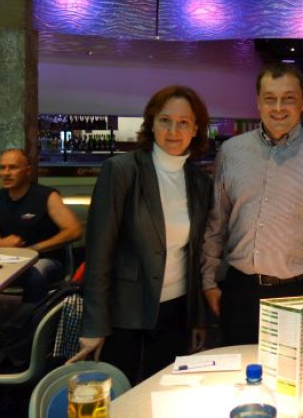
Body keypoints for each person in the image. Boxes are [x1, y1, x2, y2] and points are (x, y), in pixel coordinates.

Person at [201, 63, 303, 361]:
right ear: (258, 101)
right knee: (239, 380)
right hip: (241, 294)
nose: (279, 107)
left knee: (298, 385)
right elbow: (217, 223)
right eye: (270, 98)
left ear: (302, 101)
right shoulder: (231, 152)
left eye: (288, 98)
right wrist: (208, 281)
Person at [70, 85, 213, 384]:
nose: (173, 131)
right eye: (165, 120)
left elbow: (196, 256)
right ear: (151, 123)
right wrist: (94, 324)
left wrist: (197, 318)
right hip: (125, 312)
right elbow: (99, 252)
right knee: (120, 395)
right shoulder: (121, 170)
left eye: (183, 122)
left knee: (163, 393)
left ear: (196, 128)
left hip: (176, 311)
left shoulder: (199, 181)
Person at [0, 148, 82, 302]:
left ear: (27, 171)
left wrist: (34, 248)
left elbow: (74, 231)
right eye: (2, 167)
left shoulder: (46, 196)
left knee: (34, 273)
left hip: (45, 259)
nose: (6, 173)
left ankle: (30, 316)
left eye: (13, 167)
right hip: (8, 260)